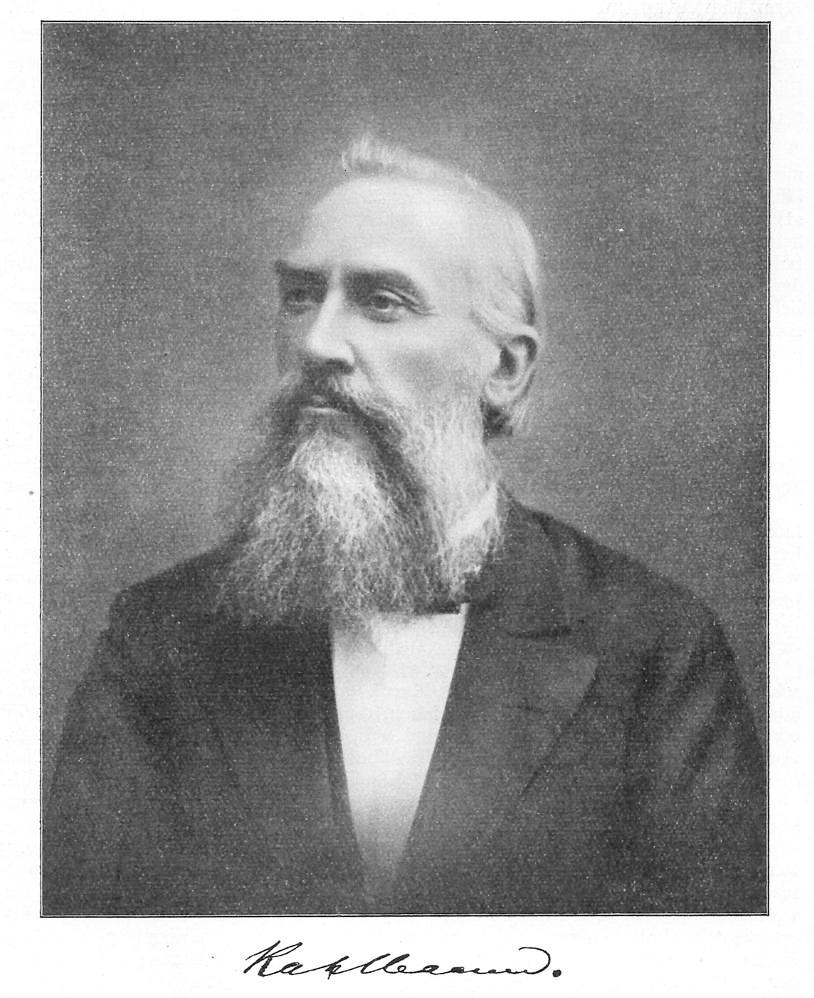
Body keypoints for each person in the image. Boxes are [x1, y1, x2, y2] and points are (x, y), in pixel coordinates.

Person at [43, 136, 765, 915]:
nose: (317, 343)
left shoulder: (657, 648)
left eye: (383, 301)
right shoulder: (160, 635)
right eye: (300, 296)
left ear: (505, 368)